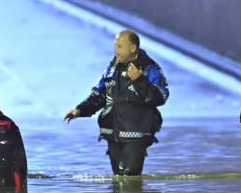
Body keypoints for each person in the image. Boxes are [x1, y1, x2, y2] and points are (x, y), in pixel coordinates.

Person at [64, 29, 169, 176]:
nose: (115, 50)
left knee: (130, 178)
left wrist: (139, 80)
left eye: (119, 46)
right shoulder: (111, 68)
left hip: (136, 134)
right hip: (112, 133)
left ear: (132, 48)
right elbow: (100, 94)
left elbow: (160, 97)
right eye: (115, 46)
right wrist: (80, 109)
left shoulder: (149, 68)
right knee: (118, 179)